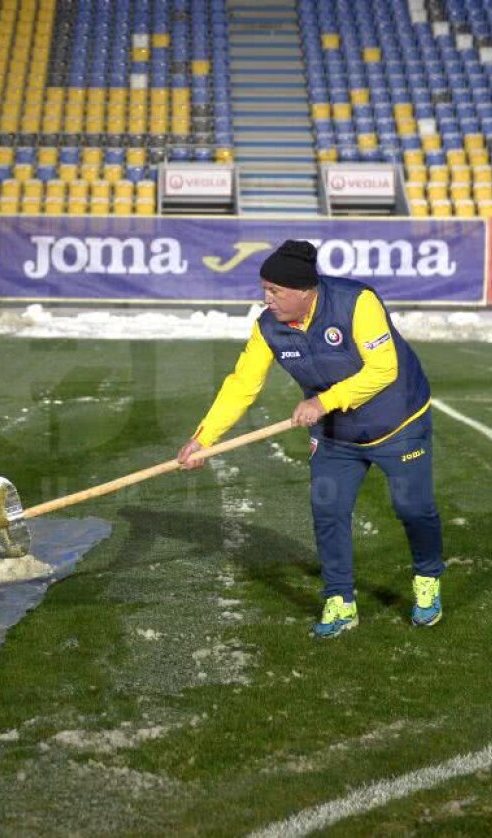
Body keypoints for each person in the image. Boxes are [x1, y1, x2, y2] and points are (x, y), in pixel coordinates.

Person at [176, 239, 444, 638]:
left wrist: (324, 401)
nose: (267, 300)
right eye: (264, 289)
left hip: (399, 423)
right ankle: (339, 599)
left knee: (413, 508)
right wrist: (205, 438)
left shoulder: (357, 302)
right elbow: (242, 385)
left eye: (275, 291)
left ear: (305, 291)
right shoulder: (268, 326)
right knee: (329, 511)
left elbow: (384, 369)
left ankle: (428, 579)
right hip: (336, 434)